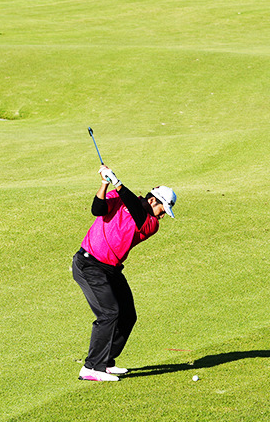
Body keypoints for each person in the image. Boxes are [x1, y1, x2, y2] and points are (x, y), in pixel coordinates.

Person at [71, 163, 177, 381]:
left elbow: (136, 211)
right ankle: (91, 368)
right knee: (109, 313)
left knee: (127, 315)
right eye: (162, 209)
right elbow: (97, 210)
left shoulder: (150, 223)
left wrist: (117, 182)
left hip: (110, 269)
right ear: (152, 201)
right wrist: (104, 183)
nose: (162, 215)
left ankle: (106, 361)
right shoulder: (118, 198)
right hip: (89, 264)